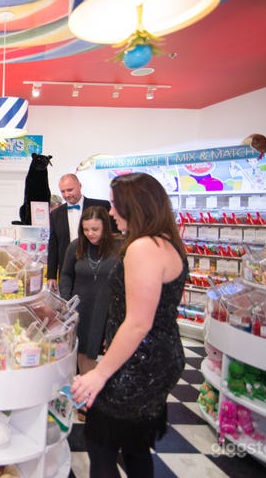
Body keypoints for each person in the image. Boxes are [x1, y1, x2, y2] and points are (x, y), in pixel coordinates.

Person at [69, 172, 188, 478]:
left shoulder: (142, 248)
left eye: (115, 205)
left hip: (140, 363)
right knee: (136, 446)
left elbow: (138, 323)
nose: (111, 213)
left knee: (101, 444)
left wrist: (99, 374)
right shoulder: (168, 242)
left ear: (135, 206)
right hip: (161, 355)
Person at [58, 206, 119, 375]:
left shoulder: (119, 247)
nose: (90, 234)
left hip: (108, 309)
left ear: (105, 226)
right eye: (85, 230)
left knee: (110, 352)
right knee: (82, 352)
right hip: (81, 308)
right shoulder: (76, 246)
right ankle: (87, 387)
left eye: (95, 229)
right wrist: (66, 301)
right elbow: (66, 275)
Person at [47, 174, 111, 291]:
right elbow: (53, 244)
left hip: (97, 265)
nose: (66, 195)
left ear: (80, 186)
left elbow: (112, 236)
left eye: (70, 190)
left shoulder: (101, 206)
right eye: (63, 191)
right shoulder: (55, 214)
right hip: (67, 268)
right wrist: (51, 275)